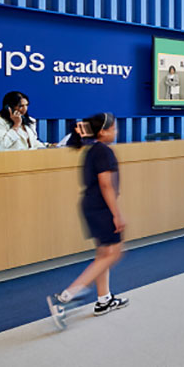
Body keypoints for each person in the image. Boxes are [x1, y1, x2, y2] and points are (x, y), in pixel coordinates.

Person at [47, 113, 129, 330]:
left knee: (103, 254)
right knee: (115, 253)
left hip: (90, 206)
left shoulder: (92, 150)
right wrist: (116, 213)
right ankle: (65, 297)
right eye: (114, 129)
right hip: (101, 207)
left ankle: (104, 300)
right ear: (103, 131)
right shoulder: (103, 151)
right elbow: (106, 185)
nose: (116, 132)